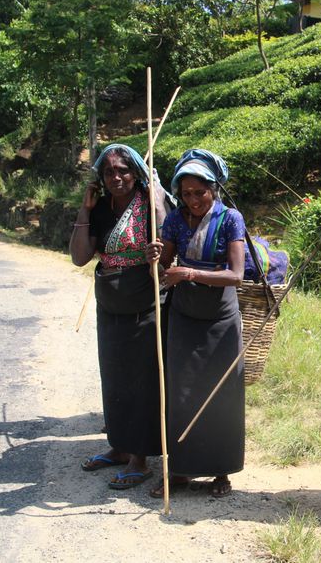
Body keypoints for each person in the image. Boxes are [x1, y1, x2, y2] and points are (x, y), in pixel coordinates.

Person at [146, 149, 246, 499]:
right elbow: (163, 272)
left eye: (199, 192)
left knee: (221, 395)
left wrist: (189, 273)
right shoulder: (175, 219)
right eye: (186, 194)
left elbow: (235, 275)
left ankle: (220, 471)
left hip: (221, 320)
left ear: (213, 189)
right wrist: (155, 259)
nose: (193, 200)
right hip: (184, 316)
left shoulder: (231, 219)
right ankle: (180, 470)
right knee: (182, 393)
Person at [69, 144, 168, 490]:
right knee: (114, 377)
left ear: (135, 172)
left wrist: (157, 199)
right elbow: (79, 257)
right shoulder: (100, 208)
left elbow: (168, 245)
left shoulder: (149, 204)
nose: (116, 177)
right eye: (109, 171)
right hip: (110, 306)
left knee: (142, 382)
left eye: (123, 170)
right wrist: (85, 208)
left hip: (146, 306)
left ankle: (140, 458)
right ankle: (120, 446)